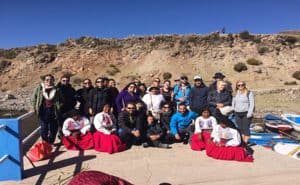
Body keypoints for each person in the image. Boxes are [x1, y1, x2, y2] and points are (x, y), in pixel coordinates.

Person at [31, 74, 63, 144]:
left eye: (51, 79)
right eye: (47, 80)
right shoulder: (39, 88)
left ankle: (50, 143)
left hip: (54, 112)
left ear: (53, 80)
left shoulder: (57, 89)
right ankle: (45, 143)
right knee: (43, 130)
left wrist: (59, 106)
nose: (49, 81)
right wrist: (33, 107)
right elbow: (33, 98)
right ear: (44, 81)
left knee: (53, 130)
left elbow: (61, 100)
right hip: (43, 112)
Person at [232, 81, 255, 146]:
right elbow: (233, 102)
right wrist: (233, 109)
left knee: (246, 128)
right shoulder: (235, 93)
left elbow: (252, 103)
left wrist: (250, 113)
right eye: (239, 85)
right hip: (237, 113)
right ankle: (242, 143)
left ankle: (245, 144)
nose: (240, 86)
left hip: (246, 113)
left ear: (244, 85)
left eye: (242, 85)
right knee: (240, 128)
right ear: (237, 86)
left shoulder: (248, 93)